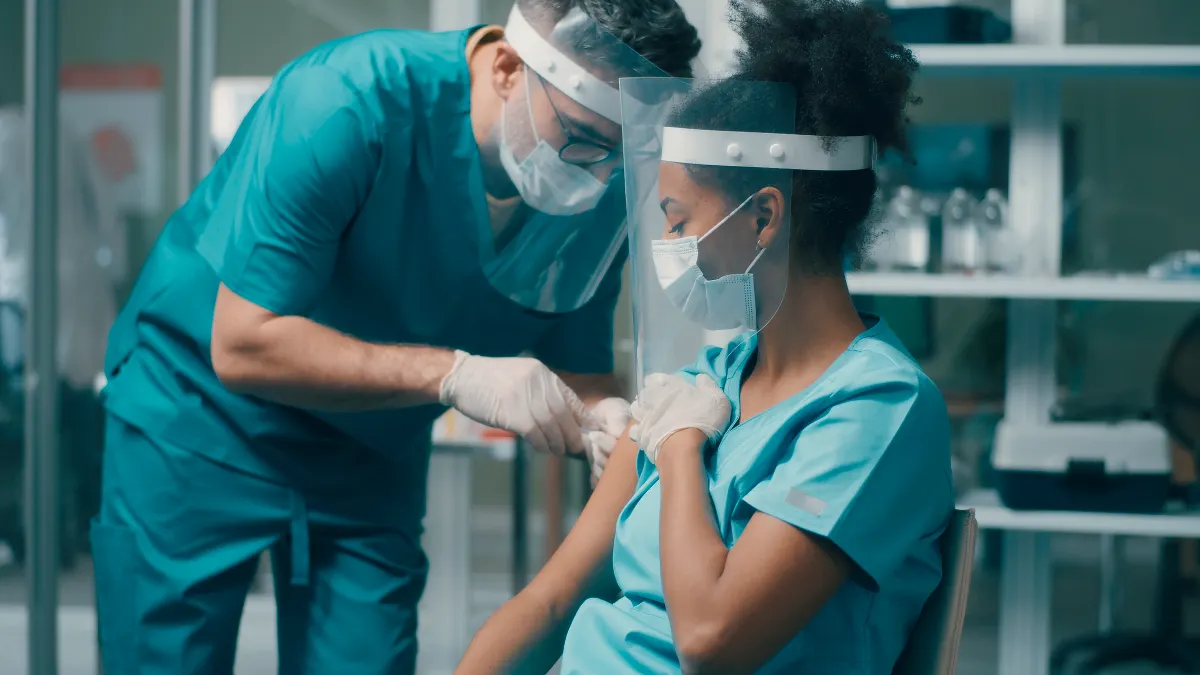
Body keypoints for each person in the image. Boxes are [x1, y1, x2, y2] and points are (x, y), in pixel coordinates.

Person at [91, 1, 701, 673]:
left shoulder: (595, 188)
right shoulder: (346, 101)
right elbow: (242, 343)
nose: (600, 176)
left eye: (621, 154)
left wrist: (609, 415)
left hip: (369, 450)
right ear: (505, 67)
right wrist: (457, 374)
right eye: (585, 138)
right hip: (199, 422)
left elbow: (577, 356)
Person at [455, 1, 954, 673]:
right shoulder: (709, 379)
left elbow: (711, 638)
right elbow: (551, 600)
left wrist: (683, 446)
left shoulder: (879, 409)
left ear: (765, 217)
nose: (665, 246)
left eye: (679, 218)